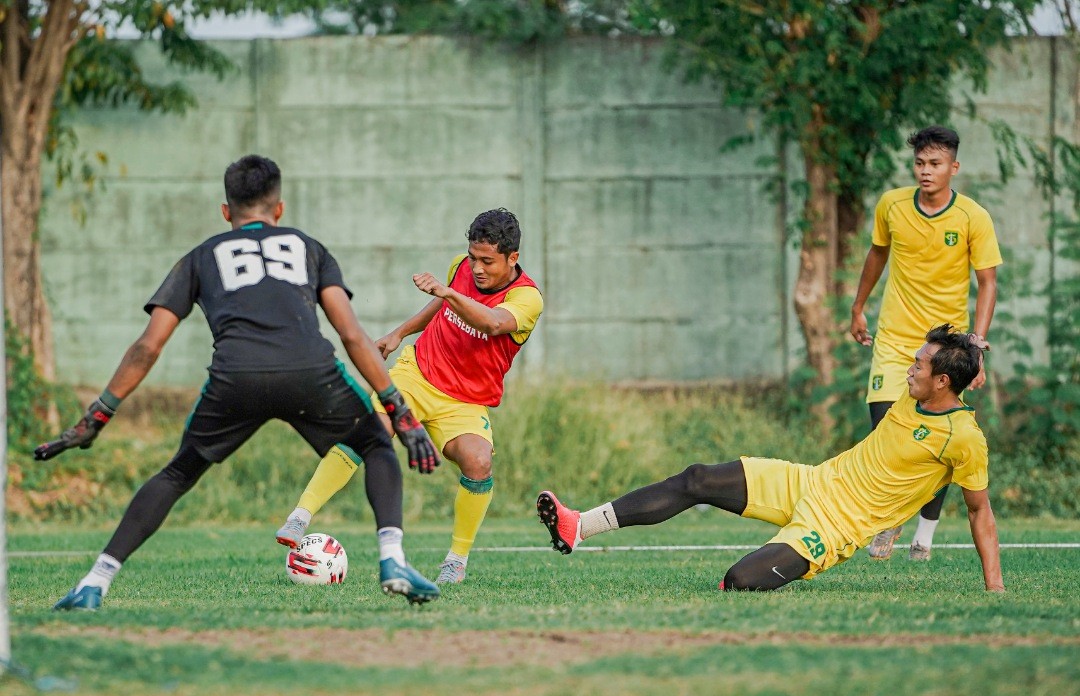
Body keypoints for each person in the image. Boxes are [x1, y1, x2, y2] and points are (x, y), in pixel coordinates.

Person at [39, 155, 442, 609]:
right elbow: (351, 334)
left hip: (236, 378)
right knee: (375, 445)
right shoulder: (308, 248)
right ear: (280, 209)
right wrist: (397, 408)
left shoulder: (201, 256)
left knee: (177, 474)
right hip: (310, 372)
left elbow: (148, 347)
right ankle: (392, 558)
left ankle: (95, 582)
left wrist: (99, 413)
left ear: (226, 211)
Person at [538, 326, 1005, 593]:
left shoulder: (963, 438)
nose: (910, 366)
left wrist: (995, 587)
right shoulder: (916, 392)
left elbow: (979, 510)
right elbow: (955, 354)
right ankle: (578, 526)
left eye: (920, 364)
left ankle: (753, 575)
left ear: (943, 382)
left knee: (739, 582)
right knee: (697, 477)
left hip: (834, 528)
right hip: (811, 482)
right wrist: (973, 349)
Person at [275, 208, 543, 585]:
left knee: (478, 463)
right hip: (417, 373)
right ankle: (300, 516)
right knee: (372, 430)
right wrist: (400, 333)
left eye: (488, 261)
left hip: (465, 400)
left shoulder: (527, 298)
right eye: (473, 258)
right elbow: (439, 305)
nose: (477, 268)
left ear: (512, 258)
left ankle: (456, 560)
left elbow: (492, 322)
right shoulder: (460, 269)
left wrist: (448, 291)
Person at [850, 125, 1001, 562]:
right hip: (895, 339)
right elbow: (877, 253)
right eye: (919, 163)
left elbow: (987, 281)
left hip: (944, 346)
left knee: (936, 438)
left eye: (935, 164)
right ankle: (892, 517)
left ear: (954, 167)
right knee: (884, 431)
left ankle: (926, 533)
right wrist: (858, 307)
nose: (925, 171)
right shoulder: (892, 205)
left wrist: (976, 344)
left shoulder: (973, 217)